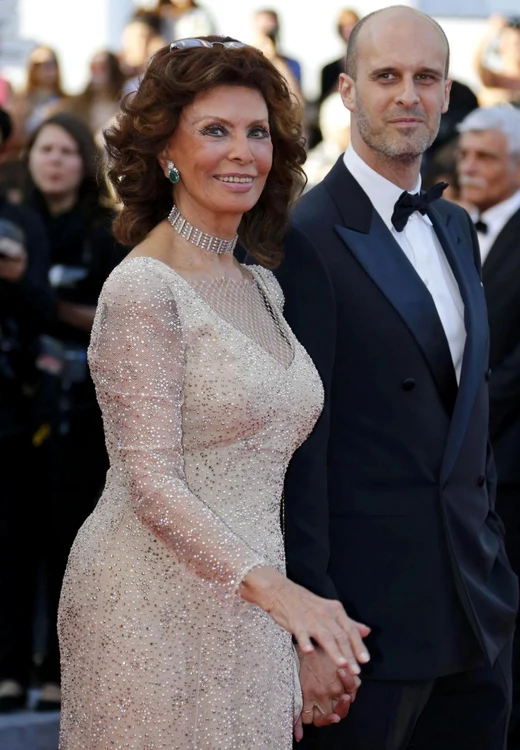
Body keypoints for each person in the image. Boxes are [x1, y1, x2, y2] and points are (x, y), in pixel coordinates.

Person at [57, 37, 369, 750]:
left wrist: (291, 616)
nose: (242, 152)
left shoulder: (260, 282)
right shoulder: (142, 288)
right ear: (166, 150)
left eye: (257, 132)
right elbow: (150, 483)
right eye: (215, 131)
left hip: (250, 607)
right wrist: (281, 595)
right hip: (145, 602)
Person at [276, 7, 518, 749]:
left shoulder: (453, 224)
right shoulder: (304, 237)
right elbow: (295, 452)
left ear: (448, 95)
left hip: (474, 604)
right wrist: (314, 626)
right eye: (387, 76)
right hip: (366, 623)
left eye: (426, 78)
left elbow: (466, 417)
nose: (407, 95)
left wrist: (493, 555)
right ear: (347, 91)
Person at [24, 112, 126, 711]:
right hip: (21, 409)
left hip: (86, 414)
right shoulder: (15, 219)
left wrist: (37, 297)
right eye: (45, 149)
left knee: (72, 542)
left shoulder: (104, 231)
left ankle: (65, 672)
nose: (55, 160)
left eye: (66, 150)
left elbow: (113, 322)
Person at [457, 103, 520, 749]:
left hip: (509, 462)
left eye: (486, 159)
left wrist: (459, 424)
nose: (469, 168)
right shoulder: (445, 224)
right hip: (459, 472)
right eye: (466, 156)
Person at [0, 106, 55, 713]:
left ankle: (14, 668)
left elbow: (41, 309)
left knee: (16, 544)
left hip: (13, 411)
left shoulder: (20, 223)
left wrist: (16, 277)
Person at [319, 8, 360, 103]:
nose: (348, 29)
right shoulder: (329, 70)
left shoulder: (371, 63)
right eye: (344, 26)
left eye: (352, 24)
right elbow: (324, 102)